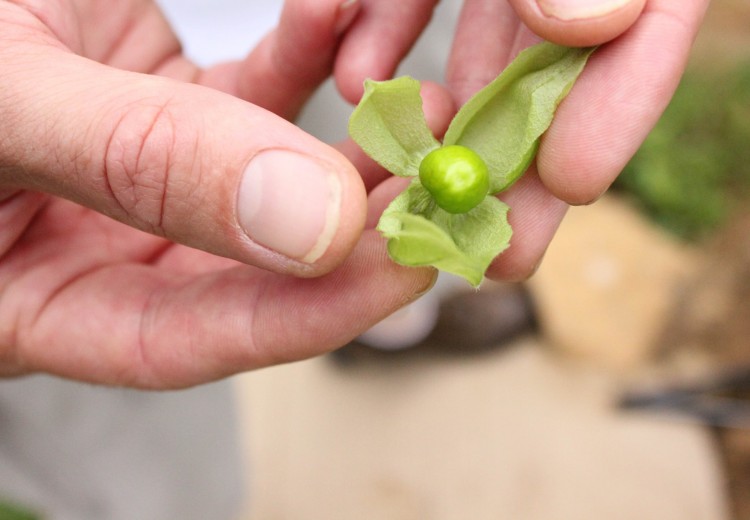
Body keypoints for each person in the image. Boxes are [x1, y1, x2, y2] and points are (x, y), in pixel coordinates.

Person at [0, 0, 709, 516]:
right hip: (69, 60)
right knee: (139, 442)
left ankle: (392, 333)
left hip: (370, 23)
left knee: (385, 240)